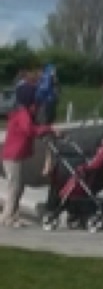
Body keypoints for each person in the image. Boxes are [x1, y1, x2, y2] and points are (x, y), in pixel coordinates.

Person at [3, 88, 55, 228]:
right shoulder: (23, 114)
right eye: (35, 101)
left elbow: (32, 128)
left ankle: (13, 215)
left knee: (18, 186)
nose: (37, 105)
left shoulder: (23, 113)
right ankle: (7, 217)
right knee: (14, 187)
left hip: (16, 155)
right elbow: (29, 130)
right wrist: (48, 129)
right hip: (13, 155)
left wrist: (45, 129)